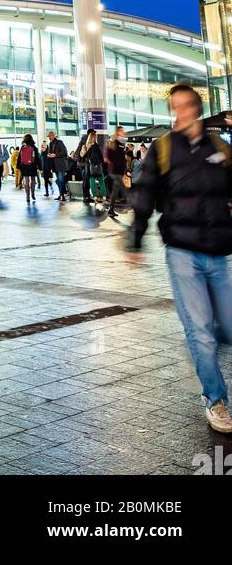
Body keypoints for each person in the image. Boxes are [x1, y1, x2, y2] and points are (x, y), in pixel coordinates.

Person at [128, 82, 232, 433]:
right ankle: (215, 400)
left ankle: (200, 350)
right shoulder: (163, 149)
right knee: (201, 331)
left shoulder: (219, 147)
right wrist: (135, 239)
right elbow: (144, 193)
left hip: (218, 250)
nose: (181, 112)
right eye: (175, 106)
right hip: (183, 251)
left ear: (197, 107)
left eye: (186, 105)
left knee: (228, 328)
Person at [105, 125, 129, 219]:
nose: (123, 132)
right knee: (122, 188)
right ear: (118, 132)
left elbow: (122, 157)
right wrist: (117, 162)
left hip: (119, 170)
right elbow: (109, 156)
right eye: (122, 131)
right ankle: (135, 207)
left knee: (116, 190)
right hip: (115, 170)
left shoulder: (122, 143)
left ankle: (111, 209)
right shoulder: (114, 142)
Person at [81, 131, 105, 209]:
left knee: (92, 181)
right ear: (94, 138)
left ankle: (94, 196)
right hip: (97, 166)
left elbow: (83, 156)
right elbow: (101, 156)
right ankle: (102, 196)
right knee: (101, 180)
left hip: (89, 167)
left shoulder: (86, 146)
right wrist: (102, 163)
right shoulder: (96, 146)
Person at [47, 130, 69, 202]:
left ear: (53, 135)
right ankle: (61, 194)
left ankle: (63, 195)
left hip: (61, 165)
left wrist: (55, 155)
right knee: (59, 180)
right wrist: (49, 155)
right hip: (55, 165)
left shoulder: (59, 142)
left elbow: (64, 152)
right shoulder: (50, 144)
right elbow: (50, 153)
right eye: (48, 136)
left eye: (50, 136)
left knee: (61, 180)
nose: (49, 138)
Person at [19, 133, 40, 205]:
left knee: (26, 181)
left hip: (24, 166)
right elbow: (37, 157)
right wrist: (40, 167)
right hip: (33, 166)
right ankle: (33, 193)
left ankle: (27, 196)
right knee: (33, 180)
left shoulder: (23, 147)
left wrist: (18, 166)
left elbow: (20, 157)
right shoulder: (34, 147)